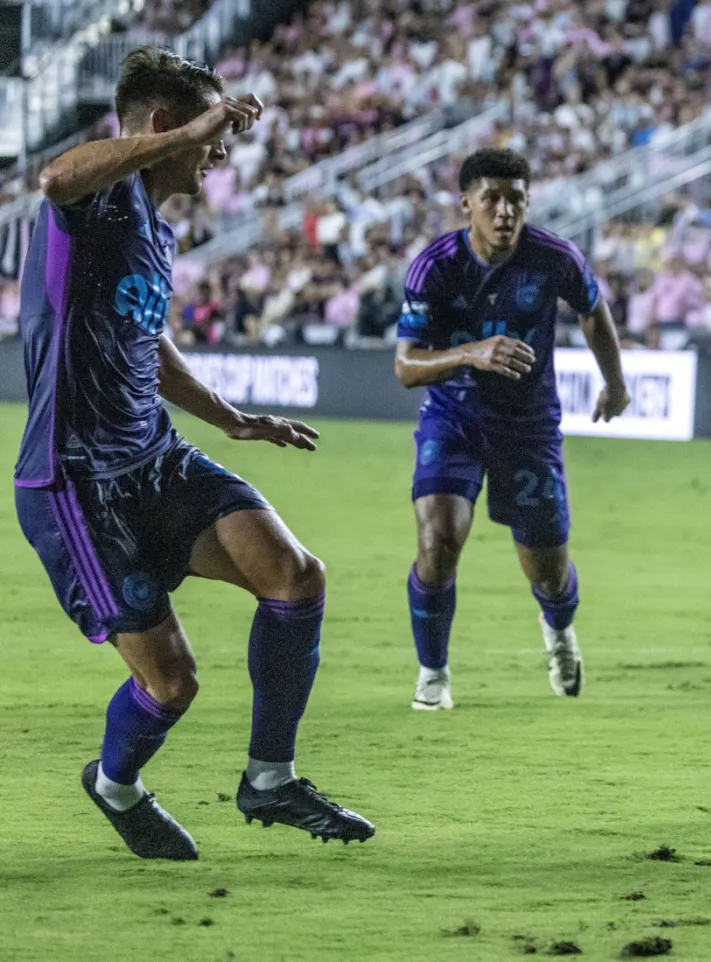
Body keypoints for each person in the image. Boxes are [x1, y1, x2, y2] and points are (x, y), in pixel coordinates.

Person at [12, 47, 374, 861]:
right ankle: (115, 787)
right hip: (77, 484)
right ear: (166, 125)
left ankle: (271, 780)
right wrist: (206, 118)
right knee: (170, 686)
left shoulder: (155, 228)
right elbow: (54, 180)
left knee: (296, 577)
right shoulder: (91, 208)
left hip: (156, 459)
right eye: (210, 134)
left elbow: (151, 346)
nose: (219, 153)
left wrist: (232, 418)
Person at [394, 148, 630, 711]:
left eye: (516, 200)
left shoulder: (554, 257)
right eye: (492, 199)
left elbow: (592, 310)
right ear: (467, 204)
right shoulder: (435, 265)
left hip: (527, 425)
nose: (504, 211)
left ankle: (559, 632)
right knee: (438, 541)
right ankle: (433, 673)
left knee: (547, 571)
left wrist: (615, 383)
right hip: (453, 418)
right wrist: (473, 353)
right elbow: (406, 367)